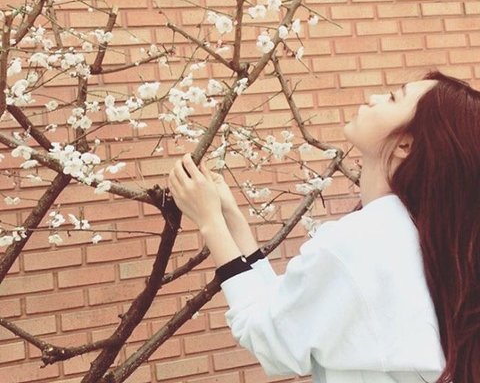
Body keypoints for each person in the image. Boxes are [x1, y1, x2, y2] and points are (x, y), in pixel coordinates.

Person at [167, 70, 480, 383]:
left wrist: (210, 223)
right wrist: (231, 219)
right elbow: (286, 309)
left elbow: (267, 337)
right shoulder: (408, 234)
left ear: (406, 145)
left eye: (393, 98)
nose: (374, 98)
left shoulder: (360, 241)